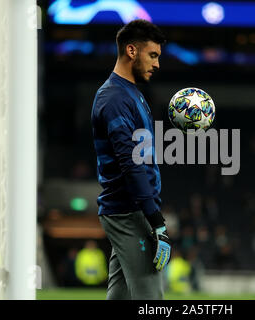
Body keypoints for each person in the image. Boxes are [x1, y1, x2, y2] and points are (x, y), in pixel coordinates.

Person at [91, 19, 171, 300]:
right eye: (153, 55)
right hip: (128, 212)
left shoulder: (129, 93)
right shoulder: (114, 99)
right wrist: (156, 220)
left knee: (121, 296)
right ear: (131, 51)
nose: (157, 64)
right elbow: (131, 163)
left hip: (128, 209)